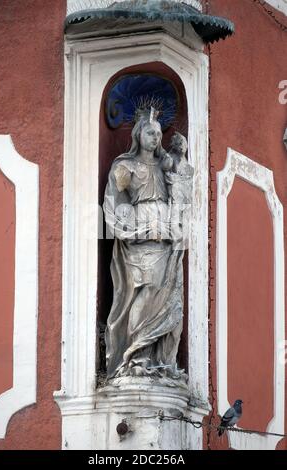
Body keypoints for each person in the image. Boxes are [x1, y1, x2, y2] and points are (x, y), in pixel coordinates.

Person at [104, 108, 190, 381]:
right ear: (137, 134)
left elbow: (183, 190)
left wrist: (181, 157)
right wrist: (132, 227)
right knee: (147, 288)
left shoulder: (166, 166)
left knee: (168, 293)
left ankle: (159, 359)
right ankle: (135, 355)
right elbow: (115, 203)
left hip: (166, 234)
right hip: (142, 235)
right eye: (149, 132)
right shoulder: (125, 166)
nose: (155, 137)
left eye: (158, 133)